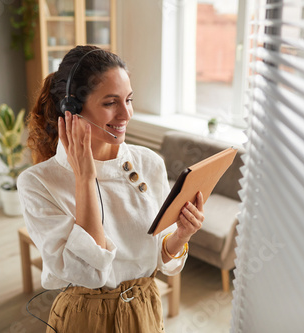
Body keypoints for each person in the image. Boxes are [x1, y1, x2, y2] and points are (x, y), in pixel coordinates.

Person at [17, 45, 205, 333]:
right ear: (72, 110)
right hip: (85, 317)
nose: (126, 114)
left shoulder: (149, 163)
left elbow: (160, 259)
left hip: (145, 308)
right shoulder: (38, 183)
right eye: (110, 103)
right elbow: (89, 273)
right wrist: (85, 178)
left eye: (128, 99)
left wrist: (181, 235)